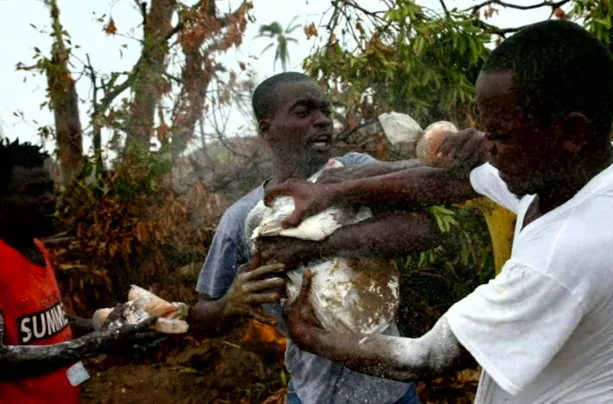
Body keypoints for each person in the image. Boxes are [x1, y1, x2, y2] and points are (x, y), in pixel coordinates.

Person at [268, 20, 613, 403]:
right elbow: (446, 182)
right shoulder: (599, 168)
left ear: (571, 132)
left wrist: (307, 335)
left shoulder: (567, 254)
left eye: (499, 136)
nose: (486, 147)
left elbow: (424, 357)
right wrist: (333, 194)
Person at [188, 72, 442, 404]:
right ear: (267, 129)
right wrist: (231, 302)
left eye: (326, 111)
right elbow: (199, 318)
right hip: (312, 394)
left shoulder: (353, 172)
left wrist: (312, 246)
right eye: (304, 112)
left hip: (392, 389)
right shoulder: (244, 218)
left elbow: (424, 230)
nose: (322, 121)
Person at [0, 138, 160, 404]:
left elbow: (49, 321)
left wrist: (103, 325)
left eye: (51, 189)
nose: (50, 199)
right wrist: (99, 342)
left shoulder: (36, 247)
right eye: (34, 191)